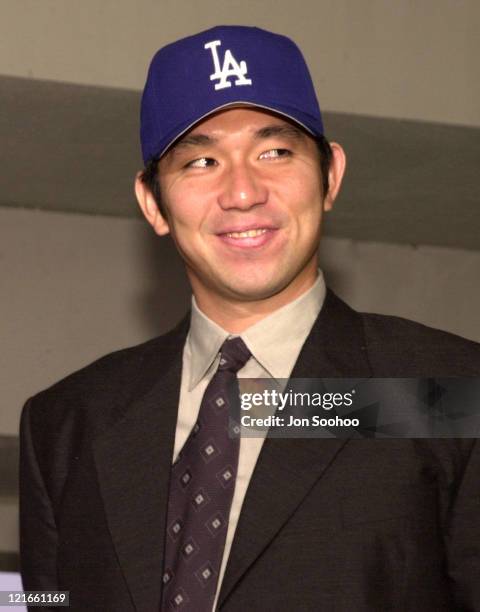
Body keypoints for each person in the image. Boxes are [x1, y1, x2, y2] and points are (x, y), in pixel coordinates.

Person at [19, 25, 480, 611]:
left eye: (275, 152)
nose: (243, 192)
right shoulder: (67, 424)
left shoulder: (442, 393)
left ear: (330, 175)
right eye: (203, 160)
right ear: (152, 203)